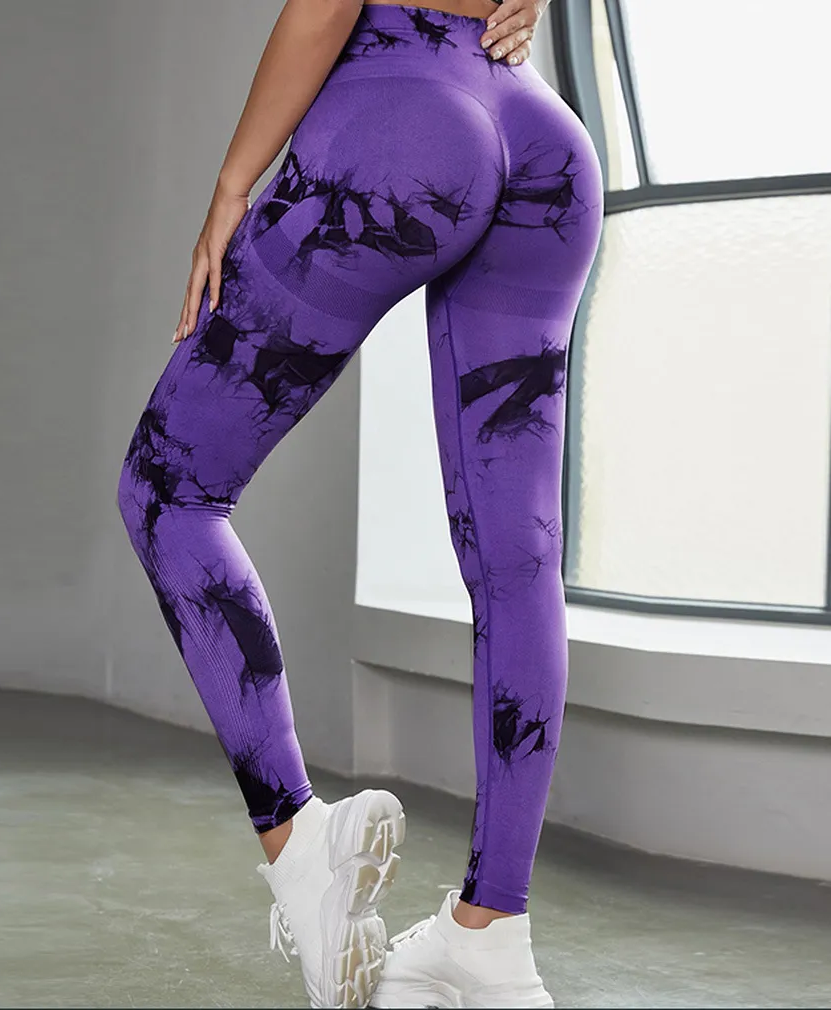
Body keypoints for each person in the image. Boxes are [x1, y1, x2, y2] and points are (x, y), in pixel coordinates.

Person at [116, 0, 604, 1005]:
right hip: (542, 143)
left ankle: (300, 844)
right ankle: (491, 934)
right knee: (516, 563)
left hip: (403, 122)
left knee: (168, 490)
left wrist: (231, 185)